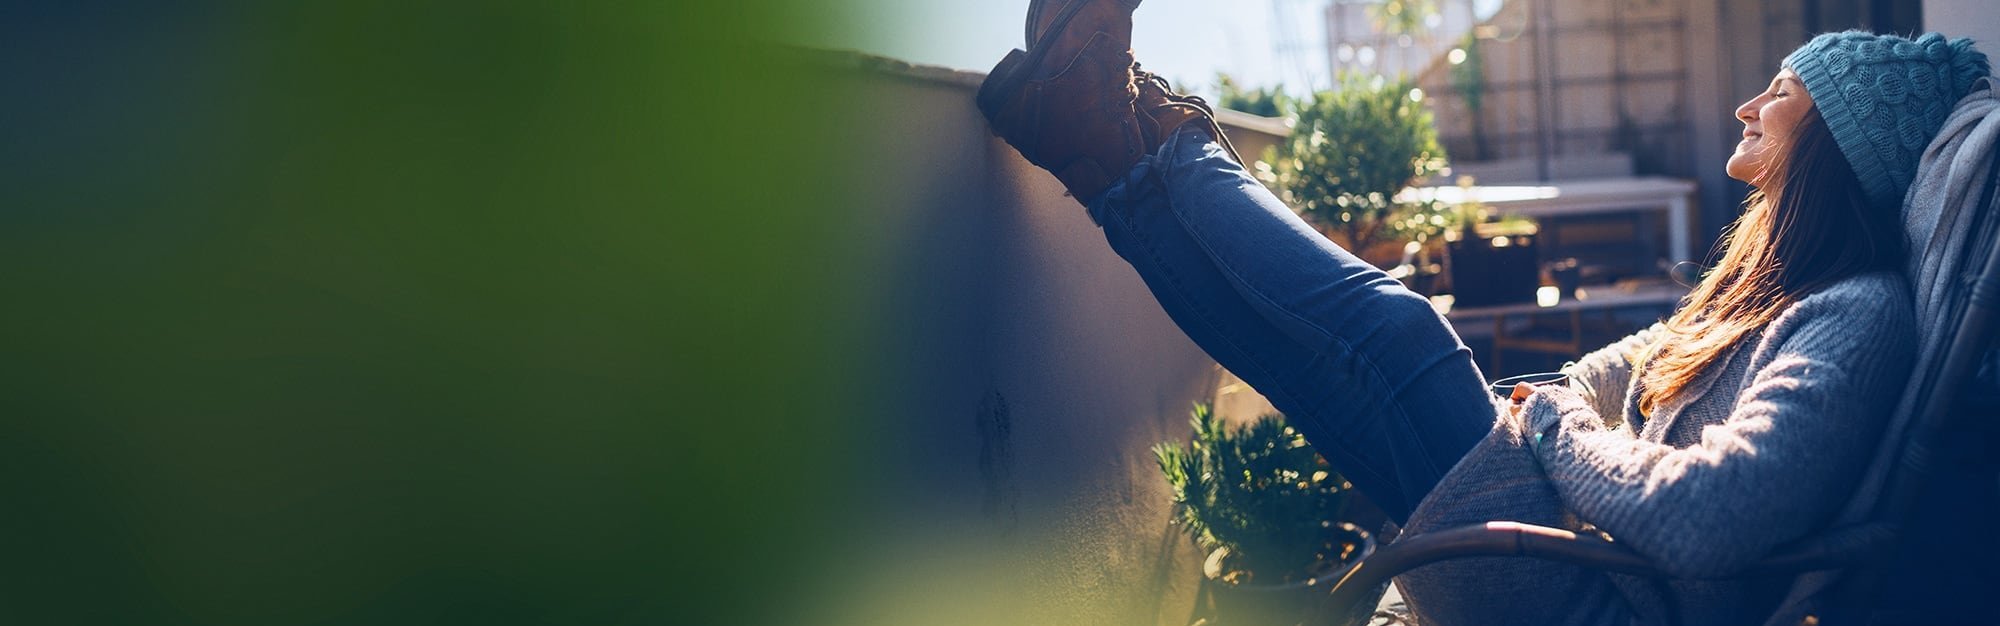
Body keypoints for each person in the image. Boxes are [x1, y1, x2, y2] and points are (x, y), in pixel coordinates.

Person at [976, 2, 1993, 624]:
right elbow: (1627, 359)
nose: (1744, 106)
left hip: (1579, 596)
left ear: (1833, 141)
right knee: (1318, 368)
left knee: (1404, 334)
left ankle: (1147, 138)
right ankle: (1105, 157)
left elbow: (1704, 512)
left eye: (1778, 91)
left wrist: (1551, 425)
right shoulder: (1771, 294)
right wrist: (1560, 399)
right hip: (1564, 552)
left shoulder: (1856, 317)